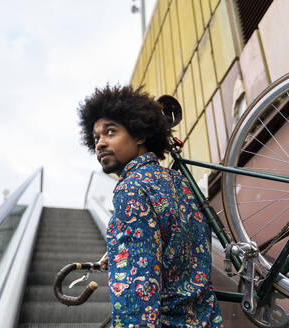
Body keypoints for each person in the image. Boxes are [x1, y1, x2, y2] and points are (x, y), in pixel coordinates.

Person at [78, 85, 223, 327]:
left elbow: (137, 288)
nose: (100, 143)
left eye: (110, 132)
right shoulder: (178, 181)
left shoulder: (131, 189)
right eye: (96, 138)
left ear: (139, 135)